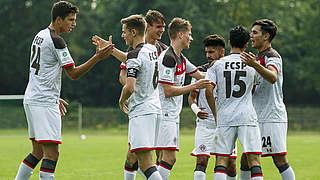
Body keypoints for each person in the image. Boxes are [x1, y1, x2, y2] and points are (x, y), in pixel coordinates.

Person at [14, 1, 114, 180]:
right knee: (51, 154)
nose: (74, 24)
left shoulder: (40, 34)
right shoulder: (57, 40)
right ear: (58, 19)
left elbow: (42, 70)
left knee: (37, 152)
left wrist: (54, 96)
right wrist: (98, 57)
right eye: (70, 20)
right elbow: (73, 74)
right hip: (43, 101)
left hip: (34, 98)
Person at [156, 17, 211, 180]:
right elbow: (167, 91)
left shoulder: (181, 58)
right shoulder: (169, 58)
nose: (191, 38)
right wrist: (194, 86)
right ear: (180, 35)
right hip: (165, 114)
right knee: (169, 158)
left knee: (163, 159)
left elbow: (201, 75)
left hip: (172, 115)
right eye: (189, 34)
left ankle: (143, 170)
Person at [240, 19, 295, 180]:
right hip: (257, 116)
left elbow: (272, 77)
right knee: (246, 158)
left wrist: (254, 65)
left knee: (279, 159)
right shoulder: (257, 57)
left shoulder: (272, 56)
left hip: (271, 116)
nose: (251, 36)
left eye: (255, 32)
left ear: (266, 36)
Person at [205, 26, 263, 180]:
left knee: (221, 160)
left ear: (229, 43)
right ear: (246, 45)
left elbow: (208, 91)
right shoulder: (253, 64)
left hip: (225, 116)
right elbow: (255, 86)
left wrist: (216, 113)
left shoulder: (216, 65)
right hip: (247, 116)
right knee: (254, 160)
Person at [118, 14, 162, 180]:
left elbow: (129, 87)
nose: (123, 35)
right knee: (135, 157)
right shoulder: (151, 49)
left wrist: (121, 101)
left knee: (146, 164)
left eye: (124, 32)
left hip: (142, 112)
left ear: (134, 32)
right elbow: (130, 59)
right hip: (154, 109)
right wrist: (111, 50)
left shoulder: (135, 55)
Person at [188, 34, 238, 180]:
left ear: (222, 52)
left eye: (211, 52)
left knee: (230, 164)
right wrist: (196, 110)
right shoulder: (199, 73)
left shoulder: (229, 71)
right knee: (201, 161)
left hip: (226, 124)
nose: (208, 55)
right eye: (207, 52)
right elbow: (191, 98)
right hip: (205, 125)